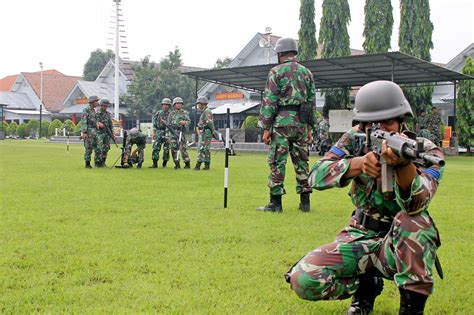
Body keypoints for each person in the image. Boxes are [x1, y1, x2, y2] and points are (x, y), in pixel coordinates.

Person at [285, 81, 445, 314]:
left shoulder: (426, 153)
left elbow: (416, 204)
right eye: (373, 123)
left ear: (402, 120)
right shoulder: (354, 139)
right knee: (303, 279)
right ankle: (366, 288)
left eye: (388, 121)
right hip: (359, 234)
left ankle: (411, 309)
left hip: (397, 245)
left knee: (416, 222)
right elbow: (315, 176)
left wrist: (403, 166)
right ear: (363, 124)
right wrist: (357, 164)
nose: (381, 128)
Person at [257, 37, 316, 213]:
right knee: (302, 162)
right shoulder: (307, 72)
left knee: (277, 162)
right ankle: (305, 203)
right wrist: (310, 128)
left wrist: (266, 128)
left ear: (280, 53)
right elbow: (312, 102)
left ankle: (275, 204)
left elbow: (270, 101)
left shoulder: (276, 71)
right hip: (302, 125)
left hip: (281, 123)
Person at [167, 97, 191, 169]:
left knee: (182, 148)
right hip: (172, 132)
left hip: (181, 132)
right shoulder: (171, 114)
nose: (179, 105)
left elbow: (189, 122)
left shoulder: (184, 113)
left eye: (180, 103)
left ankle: (187, 163)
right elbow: (168, 123)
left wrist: (184, 122)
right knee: (173, 148)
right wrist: (168, 134)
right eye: (177, 103)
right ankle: (176, 163)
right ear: (174, 104)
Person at [194, 96, 215, 170]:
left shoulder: (207, 111)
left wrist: (213, 131)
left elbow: (210, 123)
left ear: (202, 103)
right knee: (205, 149)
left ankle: (198, 165)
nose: (198, 106)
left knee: (202, 148)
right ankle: (206, 165)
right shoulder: (205, 111)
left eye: (198, 104)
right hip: (205, 132)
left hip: (206, 132)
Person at [150, 98, 172, 168]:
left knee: (166, 149)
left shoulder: (171, 114)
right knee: (156, 147)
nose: (165, 106)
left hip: (167, 132)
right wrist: (154, 132)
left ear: (169, 106)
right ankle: (155, 163)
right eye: (164, 105)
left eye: (167, 105)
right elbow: (154, 124)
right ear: (162, 105)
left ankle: (164, 163)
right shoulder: (158, 113)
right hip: (159, 131)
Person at [95, 98, 115, 167]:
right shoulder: (97, 113)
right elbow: (93, 121)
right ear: (101, 105)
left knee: (106, 148)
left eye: (106, 106)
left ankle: (103, 162)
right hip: (99, 133)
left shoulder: (108, 114)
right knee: (99, 148)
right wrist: (98, 123)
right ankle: (97, 163)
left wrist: (112, 134)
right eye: (104, 106)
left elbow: (110, 125)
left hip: (107, 134)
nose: (105, 107)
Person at [81, 95, 99, 168]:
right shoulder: (86, 110)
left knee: (97, 147)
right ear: (92, 102)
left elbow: (95, 120)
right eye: (96, 101)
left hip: (95, 131)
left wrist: (97, 124)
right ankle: (87, 163)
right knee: (88, 148)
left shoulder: (94, 110)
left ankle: (97, 163)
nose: (97, 102)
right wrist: (84, 132)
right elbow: (84, 121)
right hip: (89, 131)